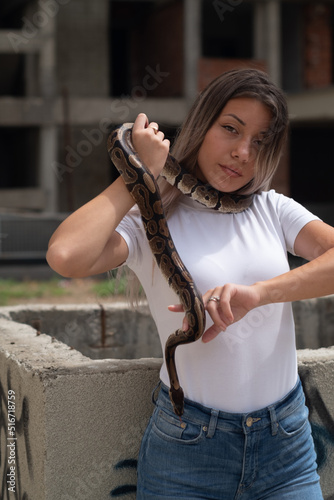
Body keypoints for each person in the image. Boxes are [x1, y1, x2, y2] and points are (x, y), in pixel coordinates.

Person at [46, 69, 334, 499]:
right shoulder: (150, 221)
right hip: (188, 450)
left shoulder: (271, 209)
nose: (241, 153)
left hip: (286, 444)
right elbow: (65, 256)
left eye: (260, 141)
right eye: (230, 129)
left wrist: (259, 294)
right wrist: (138, 172)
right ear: (202, 125)